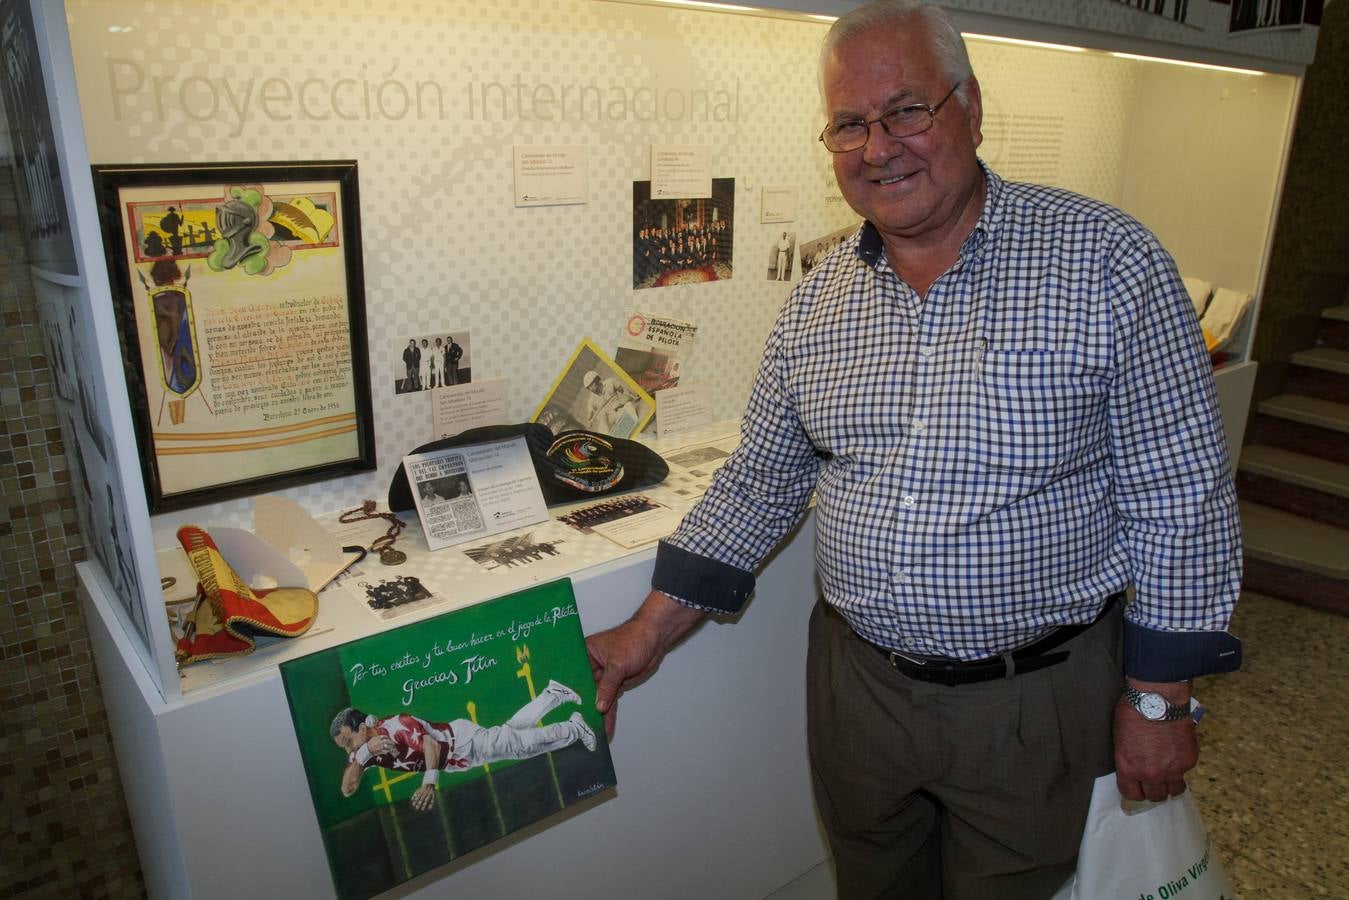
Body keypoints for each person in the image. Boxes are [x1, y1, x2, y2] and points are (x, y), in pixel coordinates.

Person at [585, 3, 1242, 898]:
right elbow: (759, 485)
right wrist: (641, 636)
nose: (878, 146)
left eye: (905, 110)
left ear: (970, 107)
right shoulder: (816, 308)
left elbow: (1180, 494)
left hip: (1032, 699)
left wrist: (1159, 699)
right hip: (858, 694)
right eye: (849, 124)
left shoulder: (1106, 263)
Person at [331, 679, 596, 812]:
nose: (348, 750)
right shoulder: (366, 751)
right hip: (459, 759)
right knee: (512, 736)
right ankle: (552, 694)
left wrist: (428, 783)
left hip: (462, 742)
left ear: (363, 728)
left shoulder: (398, 725)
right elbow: (347, 788)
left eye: (347, 741)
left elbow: (430, 745)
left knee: (521, 745)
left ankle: (574, 727)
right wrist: (365, 752)